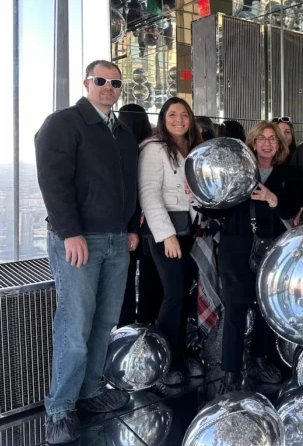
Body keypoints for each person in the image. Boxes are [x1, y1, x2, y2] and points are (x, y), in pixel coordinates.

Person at [35, 60, 139, 444]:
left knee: (103, 323)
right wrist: (70, 233)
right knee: (74, 327)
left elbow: (129, 186)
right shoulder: (64, 123)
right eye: (101, 81)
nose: (108, 87)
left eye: (114, 82)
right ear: (86, 83)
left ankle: (90, 392)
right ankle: (60, 409)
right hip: (80, 240)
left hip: (116, 241)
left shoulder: (123, 134)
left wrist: (130, 228)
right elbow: (53, 181)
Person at [204, 121, 302, 391]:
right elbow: (218, 206)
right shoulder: (238, 170)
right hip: (236, 245)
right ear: (253, 143)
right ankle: (231, 372)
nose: (267, 143)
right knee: (235, 308)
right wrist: (200, 200)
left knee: (266, 308)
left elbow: (293, 207)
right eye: (262, 139)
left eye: (272, 139)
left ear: (279, 145)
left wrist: (272, 198)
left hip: (273, 247)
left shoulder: (288, 173)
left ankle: (259, 359)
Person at [138, 97, 204, 385]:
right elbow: (149, 194)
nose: (179, 119)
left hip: (189, 231)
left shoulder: (192, 150)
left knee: (184, 295)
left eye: (184, 115)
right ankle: (164, 362)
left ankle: (178, 353)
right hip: (166, 232)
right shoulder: (154, 149)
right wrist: (166, 235)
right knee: (174, 294)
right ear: (163, 118)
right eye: (173, 114)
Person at [116, 104, 161, 327]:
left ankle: (125, 326)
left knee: (124, 277)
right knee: (150, 277)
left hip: (128, 222)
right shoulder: (152, 146)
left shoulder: (120, 146)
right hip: (153, 225)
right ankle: (146, 323)